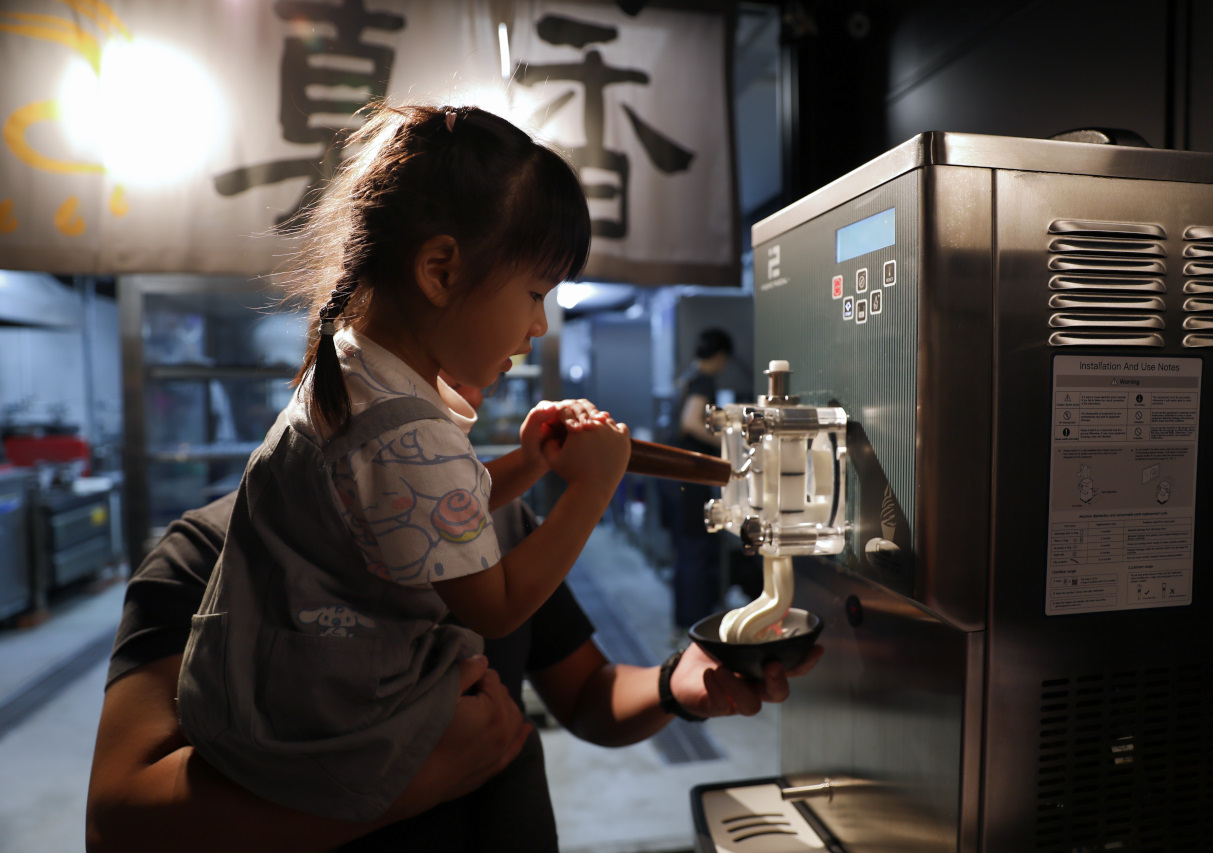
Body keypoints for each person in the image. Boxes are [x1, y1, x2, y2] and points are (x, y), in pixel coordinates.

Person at [85, 371, 824, 852]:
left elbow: (589, 695)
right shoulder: (205, 557)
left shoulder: (495, 524)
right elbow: (120, 818)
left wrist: (676, 682)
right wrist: (405, 785)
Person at [174, 102, 633, 824]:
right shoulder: (399, 427)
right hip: (319, 723)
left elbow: (444, 514)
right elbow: (498, 602)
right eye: (535, 293)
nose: (539, 323)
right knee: (485, 689)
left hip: (259, 689)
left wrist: (529, 462)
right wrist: (593, 486)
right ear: (440, 270)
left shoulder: (357, 370)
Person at [669, 328, 735, 634]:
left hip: (675, 475)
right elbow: (690, 421)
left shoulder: (687, 375)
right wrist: (726, 440)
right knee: (695, 550)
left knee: (686, 551)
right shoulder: (704, 381)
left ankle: (684, 620)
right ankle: (696, 624)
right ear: (720, 356)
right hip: (690, 476)